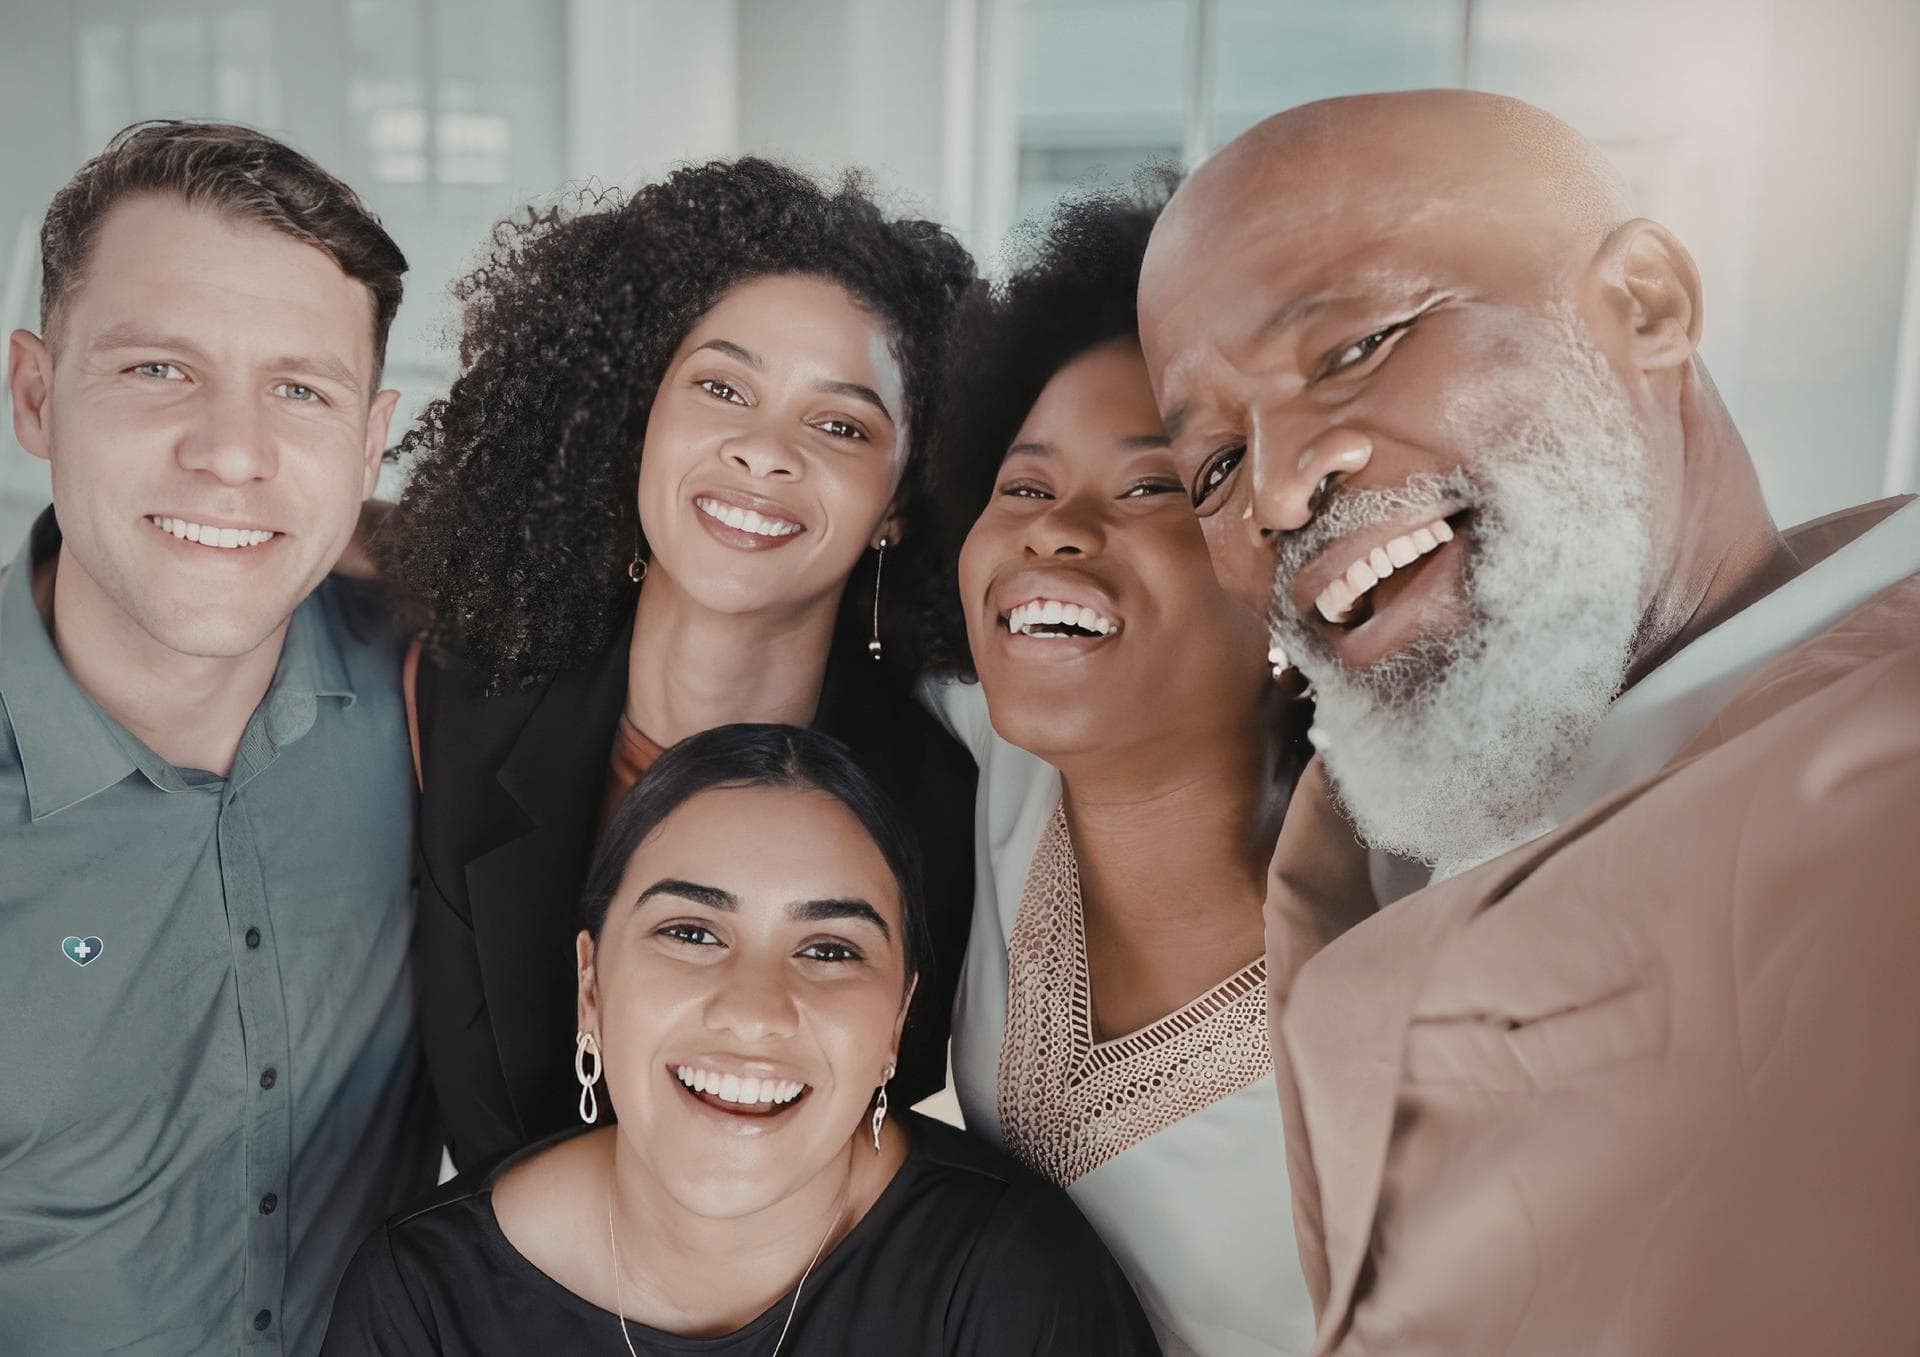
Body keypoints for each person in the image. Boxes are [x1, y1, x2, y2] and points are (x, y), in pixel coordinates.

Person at [1138, 89, 1920, 1355]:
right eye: (1215, 469)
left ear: (1646, 306)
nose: (1277, 490)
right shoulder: (1358, 856)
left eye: (1354, 349)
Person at [377, 162, 979, 1173]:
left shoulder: (941, 813)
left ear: (901, 501)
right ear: (638, 419)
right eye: (722, 386)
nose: (764, 451)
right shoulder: (453, 698)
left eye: (839, 424)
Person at [0, 122, 438, 1356]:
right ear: (36, 393)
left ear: (368, 438)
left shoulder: (436, 684)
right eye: (157, 371)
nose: (232, 451)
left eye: (298, 389)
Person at [323, 723, 1159, 1355]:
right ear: (591, 985)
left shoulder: (1014, 1280)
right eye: (690, 932)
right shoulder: (421, 1299)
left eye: (830, 949)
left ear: (898, 1020)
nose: (756, 1009)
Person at [919, 181, 1325, 1356]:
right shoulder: (1004, 751)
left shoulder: (1410, 957)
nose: (1055, 528)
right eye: (1024, 486)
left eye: (1153, 485)